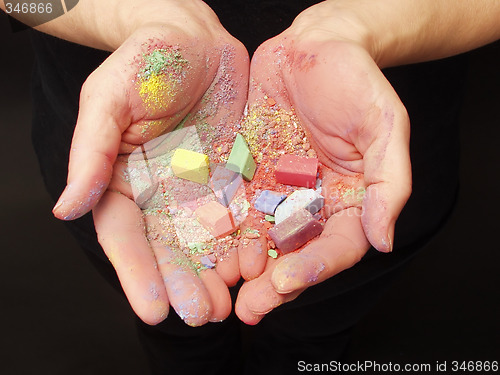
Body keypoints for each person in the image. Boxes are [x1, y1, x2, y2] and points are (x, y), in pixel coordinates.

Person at [2, 0, 499, 373]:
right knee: (177, 328)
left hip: (358, 156)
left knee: (318, 329)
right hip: (131, 148)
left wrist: (357, 26)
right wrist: (146, 17)